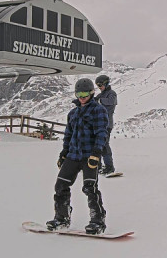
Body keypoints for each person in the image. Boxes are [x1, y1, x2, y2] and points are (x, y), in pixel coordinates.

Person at [46, 78, 111, 234]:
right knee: (60, 186)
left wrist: (97, 152)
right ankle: (62, 218)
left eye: (85, 93)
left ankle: (98, 221)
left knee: (90, 188)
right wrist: (64, 153)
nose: (82, 97)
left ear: (91, 93)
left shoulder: (98, 110)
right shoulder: (73, 113)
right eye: (79, 93)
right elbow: (68, 135)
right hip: (73, 155)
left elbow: (102, 132)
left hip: (90, 156)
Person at [93, 74, 118, 175]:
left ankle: (109, 167)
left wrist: (99, 101)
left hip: (107, 124)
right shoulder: (101, 94)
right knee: (96, 144)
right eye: (98, 85)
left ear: (106, 83)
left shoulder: (111, 93)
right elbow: (93, 100)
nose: (99, 87)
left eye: (100, 85)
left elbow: (111, 102)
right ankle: (96, 165)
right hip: (98, 124)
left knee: (104, 144)